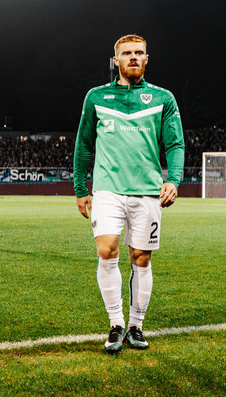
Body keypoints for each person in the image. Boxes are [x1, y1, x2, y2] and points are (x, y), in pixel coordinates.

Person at [73, 34, 184, 353]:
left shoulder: (164, 98)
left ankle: (136, 325)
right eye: (127, 53)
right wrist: (81, 188)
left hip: (148, 192)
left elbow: (175, 144)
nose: (133, 57)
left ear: (147, 59)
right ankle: (116, 323)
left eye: (139, 53)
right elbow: (84, 145)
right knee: (107, 250)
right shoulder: (96, 97)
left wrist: (173, 179)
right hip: (107, 189)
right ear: (116, 60)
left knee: (141, 258)